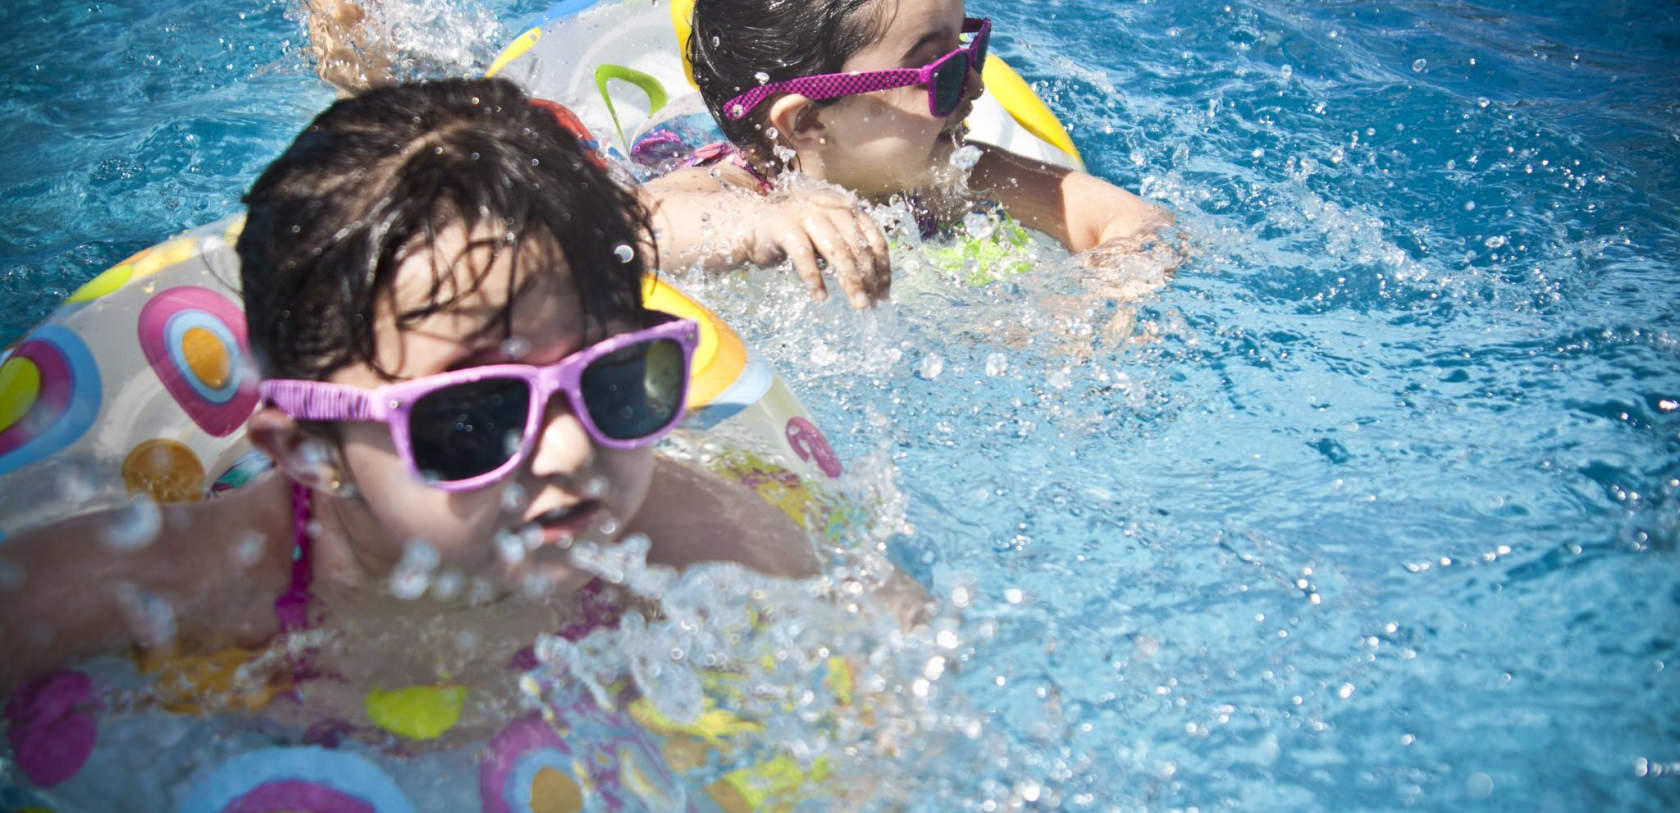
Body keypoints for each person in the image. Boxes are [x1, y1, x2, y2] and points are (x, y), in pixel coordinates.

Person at [0, 78, 826, 712]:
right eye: (475, 415)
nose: (571, 451)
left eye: (613, 381)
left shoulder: (690, 540)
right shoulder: (184, 585)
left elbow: (881, 659)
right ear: (309, 449)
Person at [644, 0, 1173, 296]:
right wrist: (758, 226)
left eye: (969, 52)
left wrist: (1106, 298)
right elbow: (614, 230)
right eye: (940, 74)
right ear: (806, 120)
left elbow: (1131, 220)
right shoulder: (732, 191)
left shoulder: (955, 172)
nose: (974, 90)